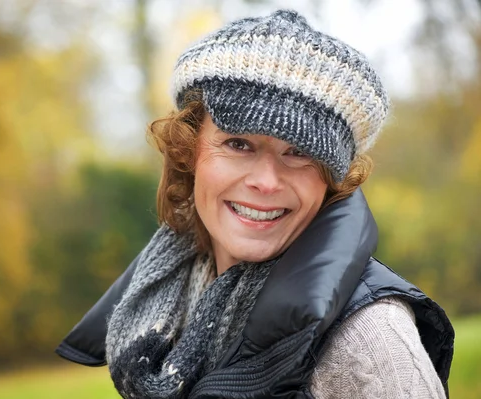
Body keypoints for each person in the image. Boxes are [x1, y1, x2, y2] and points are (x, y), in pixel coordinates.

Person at [56, 9, 454, 399]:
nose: (265, 182)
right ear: (189, 150)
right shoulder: (163, 302)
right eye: (238, 144)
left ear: (333, 181)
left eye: (298, 152)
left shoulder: (369, 341)